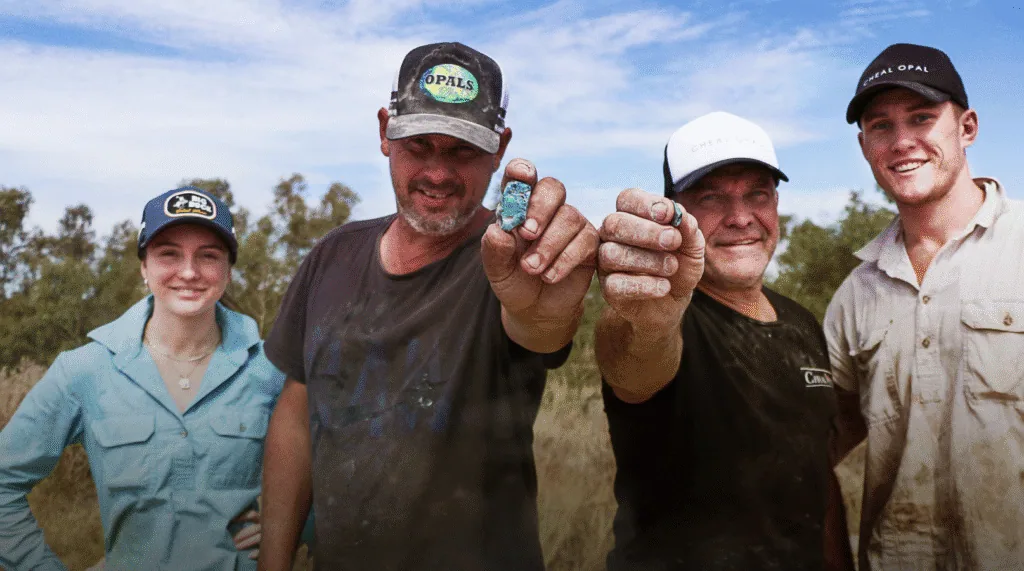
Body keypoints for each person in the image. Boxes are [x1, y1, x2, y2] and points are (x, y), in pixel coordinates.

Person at [257, 42, 598, 571]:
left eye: (462, 151)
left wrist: (546, 298)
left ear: (500, 148)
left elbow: (540, 325)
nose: (438, 173)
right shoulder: (332, 256)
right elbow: (297, 415)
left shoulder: (512, 257)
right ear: (384, 134)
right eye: (419, 144)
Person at [595, 111, 854, 570]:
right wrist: (648, 322)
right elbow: (634, 362)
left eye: (758, 193)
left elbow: (817, 471)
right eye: (711, 197)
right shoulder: (663, 315)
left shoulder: (800, 321)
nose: (740, 218)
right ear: (673, 210)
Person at [0, 186, 283, 570]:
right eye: (169, 253)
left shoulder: (272, 368)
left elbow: (333, 467)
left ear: (228, 271)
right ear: (143, 268)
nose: (189, 271)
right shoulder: (83, 370)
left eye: (209, 255)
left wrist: (290, 522)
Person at [825, 43, 1024, 570]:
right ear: (865, 144)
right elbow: (818, 443)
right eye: (880, 125)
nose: (902, 141)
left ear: (967, 127)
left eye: (922, 117)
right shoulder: (854, 295)